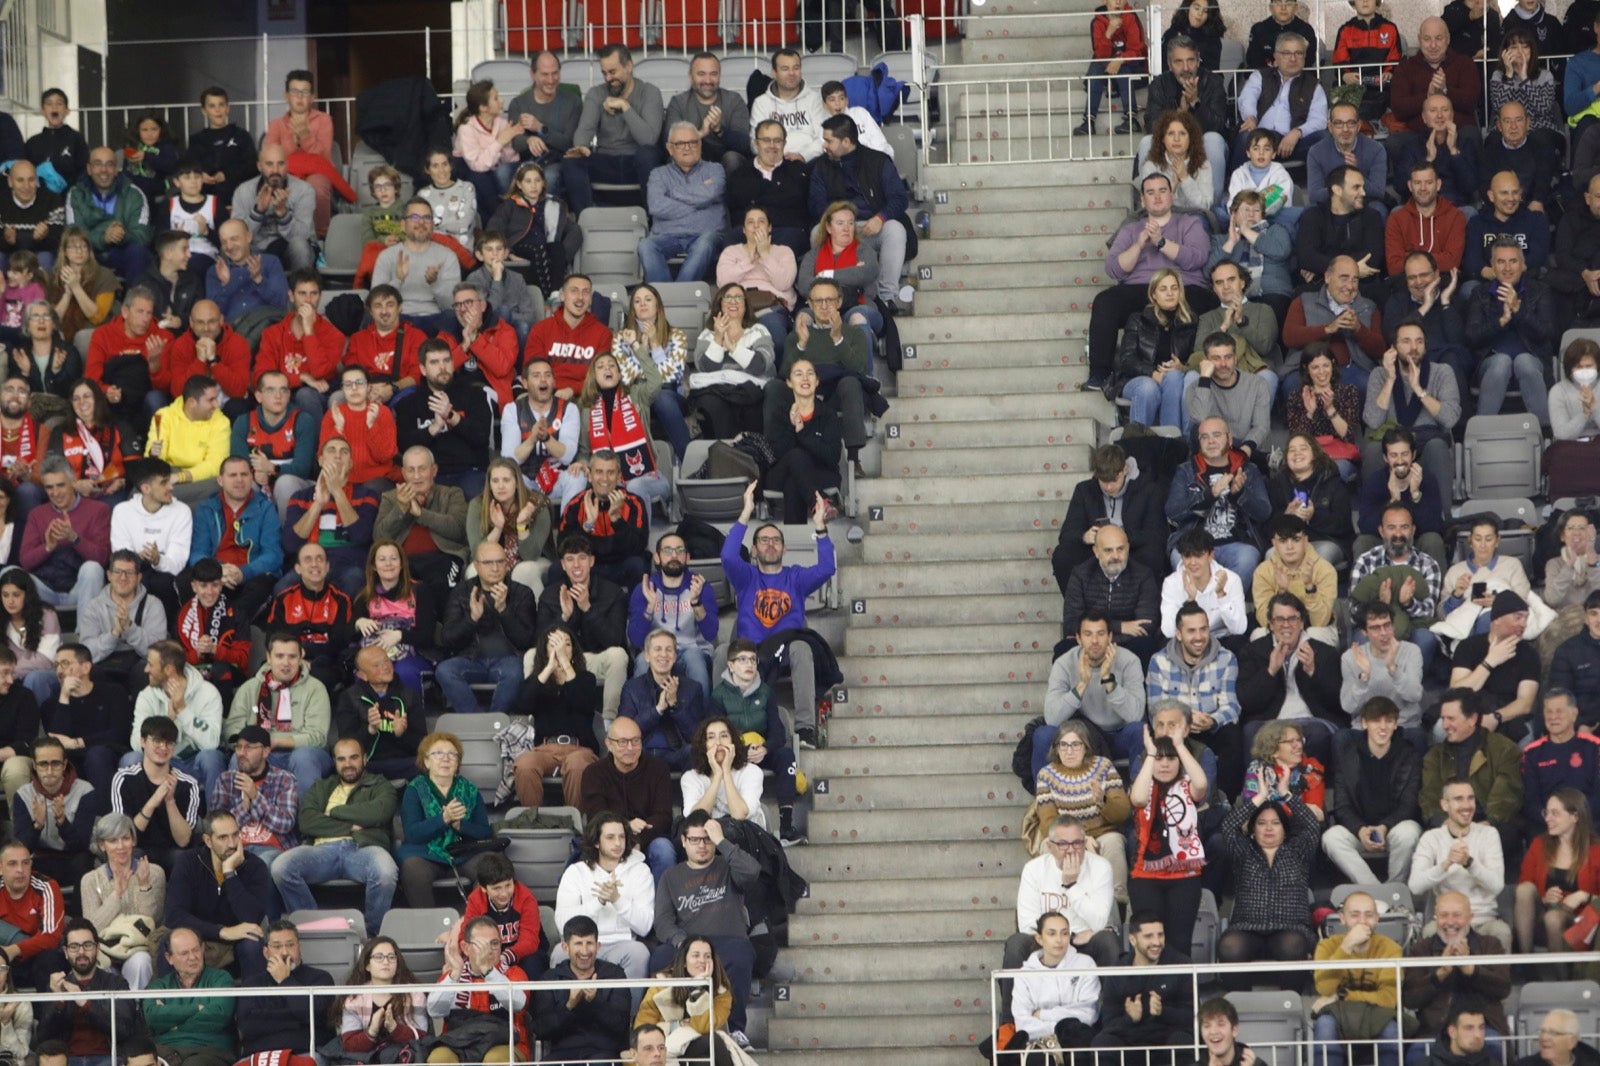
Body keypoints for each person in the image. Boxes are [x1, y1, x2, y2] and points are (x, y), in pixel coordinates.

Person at [722, 481, 836, 746]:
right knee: (720, 653)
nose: (770, 545)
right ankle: (724, 727)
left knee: (801, 648)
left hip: (785, 649)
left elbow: (827, 568)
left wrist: (820, 526)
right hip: (751, 651)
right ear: (753, 550)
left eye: (776, 540)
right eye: (763, 540)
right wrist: (745, 512)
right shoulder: (746, 577)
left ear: (785, 549)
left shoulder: (795, 577)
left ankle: (806, 728)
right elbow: (728, 557)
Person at [1085, 173, 1213, 391]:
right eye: (1150, 193)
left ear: (1172, 195)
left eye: (1163, 191)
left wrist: (1161, 243)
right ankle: (1100, 374)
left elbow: (1197, 258)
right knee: (1105, 301)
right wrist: (1139, 245)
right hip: (1142, 288)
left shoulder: (1189, 223)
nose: (1157, 197)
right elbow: (1114, 269)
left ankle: (1199, 368)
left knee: (1209, 302)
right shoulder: (1130, 229)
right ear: (1142, 200)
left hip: (1183, 286)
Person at [271, 736, 398, 937]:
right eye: (341, 759)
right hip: (321, 851)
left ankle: (371, 935)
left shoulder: (379, 785)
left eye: (353, 757)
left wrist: (335, 811)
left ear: (364, 759)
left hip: (362, 848)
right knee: (281, 867)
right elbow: (307, 822)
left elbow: (379, 812)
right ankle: (317, 929)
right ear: (335, 762)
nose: (347, 764)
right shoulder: (321, 787)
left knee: (386, 872)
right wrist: (352, 825)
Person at [652, 811, 760, 1042]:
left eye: (707, 839)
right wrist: (683, 942)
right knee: (659, 958)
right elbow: (662, 922)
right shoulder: (671, 876)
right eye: (695, 839)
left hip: (728, 941)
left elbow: (753, 872)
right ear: (683, 841)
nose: (702, 845)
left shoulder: (728, 865)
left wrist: (722, 841)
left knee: (741, 955)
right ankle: (667, 1030)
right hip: (687, 943)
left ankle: (736, 1029)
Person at [1213, 777, 1320, 977]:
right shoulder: (1243, 851)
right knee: (1229, 946)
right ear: (1253, 830)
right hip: (1247, 928)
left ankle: (1291, 1003)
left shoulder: (1298, 850)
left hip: (1291, 928)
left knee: (1293, 945)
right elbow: (1228, 827)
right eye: (1261, 823)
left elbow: (1312, 825)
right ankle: (1237, 1003)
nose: (1268, 828)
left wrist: (1286, 794)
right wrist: (1260, 797)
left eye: (1275, 823)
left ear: (1285, 829)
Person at [1325, 697, 1423, 885]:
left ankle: (1395, 891)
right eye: (1376, 721)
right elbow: (1342, 805)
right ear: (1364, 723)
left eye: (1389, 721)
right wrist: (1360, 829)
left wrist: (1384, 827)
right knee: (1331, 837)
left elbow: (1409, 804)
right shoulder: (1347, 756)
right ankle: (1373, 891)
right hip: (1360, 832)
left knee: (1409, 832)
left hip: (1393, 829)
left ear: (1396, 725)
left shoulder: (1408, 755)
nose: (1383, 727)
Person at [1128, 727, 1208, 958]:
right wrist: (1150, 753)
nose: (1164, 764)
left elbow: (1201, 783)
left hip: (1184, 876)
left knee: (1179, 942)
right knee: (1148, 945)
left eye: (1170, 758)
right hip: (1145, 875)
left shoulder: (1186, 785)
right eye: (1159, 758)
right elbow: (1139, 798)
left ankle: (1179, 993)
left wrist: (1181, 746)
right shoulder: (1143, 783)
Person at [163, 810, 272, 980]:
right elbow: (174, 915)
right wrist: (221, 932)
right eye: (223, 838)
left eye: (235, 835)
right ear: (208, 840)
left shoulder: (255, 867)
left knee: (252, 942)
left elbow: (252, 917)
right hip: (198, 939)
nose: (232, 844)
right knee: (168, 940)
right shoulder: (189, 862)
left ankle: (254, 1005)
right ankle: (169, 1003)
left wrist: (230, 873)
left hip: (237, 946)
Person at [222, 632, 333, 796]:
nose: (286, 663)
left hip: (303, 752)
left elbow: (318, 736)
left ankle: (306, 819)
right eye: (279, 656)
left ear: (301, 656)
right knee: (239, 758)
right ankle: (240, 818)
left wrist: (277, 742)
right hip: (261, 751)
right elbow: (232, 730)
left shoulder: (315, 688)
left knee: (303, 758)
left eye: (292, 657)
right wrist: (250, 746)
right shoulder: (250, 688)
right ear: (268, 657)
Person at [1404, 892, 1511, 1062]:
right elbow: (1410, 999)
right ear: (1435, 918)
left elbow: (1503, 988)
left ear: (1470, 917)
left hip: (1483, 1028)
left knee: (1496, 1048)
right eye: (1444, 915)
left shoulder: (1490, 944)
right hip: (1434, 1030)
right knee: (1415, 1056)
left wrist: (1472, 971)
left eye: (1457, 915)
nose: (1450, 922)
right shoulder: (1421, 949)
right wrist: (1440, 973)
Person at [1164, 416, 1270, 589]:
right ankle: (1204, 610)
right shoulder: (1186, 470)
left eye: (1216, 435)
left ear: (1229, 439)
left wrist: (1240, 494)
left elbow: (1264, 512)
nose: (1211, 441)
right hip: (1194, 542)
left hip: (1236, 543)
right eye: (1205, 437)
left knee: (1248, 558)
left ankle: (1219, 609)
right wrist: (1209, 495)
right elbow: (1172, 511)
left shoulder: (1249, 469)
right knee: (1180, 558)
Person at [561, 44, 666, 216]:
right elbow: (584, 129)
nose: (609, 78)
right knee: (571, 160)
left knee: (648, 154)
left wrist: (625, 106)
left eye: (613, 72)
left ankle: (653, 222)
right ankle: (587, 220)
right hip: (606, 161)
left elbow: (649, 139)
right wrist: (581, 146)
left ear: (629, 66)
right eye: (604, 73)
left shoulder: (649, 92)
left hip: (637, 161)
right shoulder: (596, 93)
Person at [436, 539, 538, 715]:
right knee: (444, 670)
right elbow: (448, 639)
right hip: (471, 659)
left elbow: (525, 640)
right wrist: (472, 619)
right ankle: (476, 720)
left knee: (515, 672)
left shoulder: (521, 593)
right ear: (476, 565)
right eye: (488, 563)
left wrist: (504, 610)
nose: (495, 568)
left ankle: (495, 722)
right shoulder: (461, 592)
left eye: (500, 562)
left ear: (507, 564)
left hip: (509, 660)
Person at [1408, 778, 1512, 946]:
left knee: (1502, 932)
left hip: (1483, 921)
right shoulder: (1431, 838)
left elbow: (1497, 886)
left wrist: (1470, 863)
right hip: (1446, 923)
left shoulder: (1489, 834)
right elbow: (1415, 886)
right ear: (1444, 805)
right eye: (1458, 799)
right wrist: (1446, 863)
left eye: (1470, 798)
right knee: (1429, 932)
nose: (1467, 805)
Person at [537, 533, 631, 718]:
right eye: (570, 559)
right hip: (561, 660)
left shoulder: (612, 593)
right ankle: (537, 718)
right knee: (530, 656)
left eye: (582, 558)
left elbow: (615, 640)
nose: (576, 565)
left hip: (596, 659)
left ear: (592, 561)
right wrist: (564, 617)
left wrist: (588, 609)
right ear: (563, 565)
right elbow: (539, 642)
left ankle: (610, 722)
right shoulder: (549, 594)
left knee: (618, 655)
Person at [397, 730, 493, 907]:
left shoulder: (470, 789)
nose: (446, 758)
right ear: (426, 761)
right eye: (438, 753)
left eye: (452, 754)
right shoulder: (414, 789)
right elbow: (412, 834)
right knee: (412, 869)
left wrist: (460, 825)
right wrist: (443, 819)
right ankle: (427, 923)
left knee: (492, 867)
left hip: (464, 853)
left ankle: (474, 922)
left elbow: (484, 831)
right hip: (425, 853)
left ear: (458, 763)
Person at [1464, 238, 1555, 424]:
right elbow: (1472, 337)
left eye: (1513, 261)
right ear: (1492, 266)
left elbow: (1546, 333)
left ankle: (1545, 433)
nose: (1507, 268)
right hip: (1491, 369)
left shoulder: (1540, 290)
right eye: (1501, 262)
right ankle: (1483, 431)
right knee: (1501, 362)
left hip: (1533, 366)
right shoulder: (1480, 294)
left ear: (1523, 265)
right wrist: (1501, 321)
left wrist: (1518, 310)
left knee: (1524, 361)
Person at [511, 623, 601, 809]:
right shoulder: (538, 680)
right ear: (545, 649)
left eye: (566, 644)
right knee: (525, 765)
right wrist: (549, 667)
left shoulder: (586, 678)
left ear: (574, 650)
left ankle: (576, 824)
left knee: (577, 765)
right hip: (545, 749)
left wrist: (566, 666)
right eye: (554, 644)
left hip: (579, 748)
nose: (561, 649)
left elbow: (583, 704)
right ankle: (533, 821)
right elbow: (522, 705)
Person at [554, 813, 653, 978]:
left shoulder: (640, 870)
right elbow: (562, 924)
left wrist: (617, 900)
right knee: (559, 953)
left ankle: (630, 1005)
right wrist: (599, 901)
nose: (618, 843)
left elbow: (644, 927)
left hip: (623, 944)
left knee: (640, 953)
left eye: (622, 837)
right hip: (584, 943)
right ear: (596, 842)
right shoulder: (576, 872)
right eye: (610, 837)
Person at [1310, 890, 1402, 1066]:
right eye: (1355, 915)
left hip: (1377, 1014)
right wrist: (1346, 947)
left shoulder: (1391, 949)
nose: (1362, 921)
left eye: (1369, 915)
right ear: (1342, 918)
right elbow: (1325, 989)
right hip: (1337, 1015)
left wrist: (1342, 996)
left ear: (1377, 919)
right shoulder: (1327, 946)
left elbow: (1389, 999)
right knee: (1324, 1025)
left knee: (1391, 1030)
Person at [187, 455, 280, 626]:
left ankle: (231, 632)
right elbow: (198, 553)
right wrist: (217, 571)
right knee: (185, 580)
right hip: (216, 575)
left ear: (251, 478)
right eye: (233, 475)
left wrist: (243, 573)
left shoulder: (265, 508)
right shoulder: (206, 508)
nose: (239, 480)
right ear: (220, 480)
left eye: (244, 475)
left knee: (261, 586)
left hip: (251, 576)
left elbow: (273, 555)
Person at [282, 437, 381, 598]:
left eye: (344, 452)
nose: (338, 456)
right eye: (331, 450)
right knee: (283, 586)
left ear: (350, 464)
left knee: (355, 580)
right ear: (320, 460)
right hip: (309, 565)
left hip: (349, 565)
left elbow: (361, 536)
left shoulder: (367, 495)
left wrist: (337, 491)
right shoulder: (300, 497)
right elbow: (291, 544)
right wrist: (318, 504)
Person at [426, 914, 530, 1063]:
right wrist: (454, 975)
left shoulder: (514, 973)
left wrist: (488, 972)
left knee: (496, 1059)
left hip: (505, 1042)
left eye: (494, 943)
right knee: (439, 1058)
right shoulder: (452, 975)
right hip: (458, 1043)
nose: (489, 950)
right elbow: (434, 1011)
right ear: (465, 948)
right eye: (482, 945)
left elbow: (519, 1005)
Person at [581, 717, 676, 879]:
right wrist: (625, 828)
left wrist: (638, 840)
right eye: (623, 742)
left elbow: (664, 816)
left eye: (636, 741)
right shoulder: (594, 773)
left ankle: (661, 904)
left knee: (664, 850)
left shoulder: (658, 769)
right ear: (609, 744)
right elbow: (596, 817)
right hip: (610, 837)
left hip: (648, 838)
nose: (630, 748)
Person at [78, 811, 164, 990]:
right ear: (102, 845)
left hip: (139, 947)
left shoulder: (154, 872)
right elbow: (92, 928)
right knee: (100, 968)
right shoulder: (90, 880)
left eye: (125, 838)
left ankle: (136, 1014)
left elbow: (151, 922)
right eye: (112, 840)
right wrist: (116, 894)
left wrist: (144, 886)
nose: (120, 846)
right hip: (105, 950)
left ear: (133, 841)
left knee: (141, 962)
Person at [393, 341, 490, 499]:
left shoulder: (474, 394)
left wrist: (451, 417)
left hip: (469, 471)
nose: (442, 367)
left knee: (474, 494)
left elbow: (481, 437)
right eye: (434, 362)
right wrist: (434, 428)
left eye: (446, 360)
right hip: (429, 476)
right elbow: (404, 447)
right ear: (423, 369)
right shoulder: (408, 404)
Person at [532, 915, 634, 1064]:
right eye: (578, 943)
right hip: (562, 1054)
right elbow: (541, 1029)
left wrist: (595, 1001)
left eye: (589, 943)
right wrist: (569, 1005)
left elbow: (621, 1025)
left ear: (598, 946)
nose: (584, 951)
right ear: (565, 947)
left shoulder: (614, 975)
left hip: (604, 1054)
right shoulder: (550, 979)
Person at [34, 916, 136, 1064]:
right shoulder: (56, 986)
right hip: (67, 1061)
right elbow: (44, 1039)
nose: (81, 952)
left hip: (109, 1058)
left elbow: (125, 1030)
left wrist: (86, 1003)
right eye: (74, 946)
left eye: (87, 945)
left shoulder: (116, 983)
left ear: (97, 948)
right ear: (65, 951)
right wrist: (59, 1001)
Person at [374, 445, 470, 601]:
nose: (417, 476)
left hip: (444, 558)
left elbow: (458, 530)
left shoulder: (451, 494)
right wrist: (401, 509)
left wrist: (420, 514)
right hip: (404, 561)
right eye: (411, 470)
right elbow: (379, 538)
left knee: (439, 583)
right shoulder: (390, 498)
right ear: (404, 473)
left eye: (422, 469)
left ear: (434, 470)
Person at [20, 454, 110, 621]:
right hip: (44, 590)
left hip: (80, 588)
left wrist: (74, 538)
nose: (55, 493)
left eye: (61, 485)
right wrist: (48, 547)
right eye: (49, 487)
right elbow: (25, 561)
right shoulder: (37, 514)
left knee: (92, 568)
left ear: (73, 482)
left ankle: (86, 638)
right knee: (10, 574)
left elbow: (102, 559)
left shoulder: (98, 510)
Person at [129, 639, 225, 793]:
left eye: (151, 665)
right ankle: (138, 816)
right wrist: (167, 722)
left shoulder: (208, 693)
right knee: (131, 759)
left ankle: (215, 816)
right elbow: (136, 744)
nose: (146, 669)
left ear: (168, 669)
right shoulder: (146, 696)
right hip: (159, 762)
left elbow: (211, 743)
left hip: (193, 762)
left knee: (211, 758)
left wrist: (182, 711)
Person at [1513, 787, 1600, 955]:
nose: (1548, 819)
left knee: (1553, 918)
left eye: (1555, 813)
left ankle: (1562, 980)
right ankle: (1527, 961)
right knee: (1524, 890)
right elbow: (1523, 883)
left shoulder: (1596, 850)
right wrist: (1544, 898)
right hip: (1540, 915)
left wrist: (1583, 895)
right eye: (1546, 812)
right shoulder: (1539, 844)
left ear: (1575, 816)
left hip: (1581, 919)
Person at [1447, 590, 1541, 744]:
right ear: (1497, 619)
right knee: (1440, 728)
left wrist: (1496, 717)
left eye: (1526, 618)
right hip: (1469, 711)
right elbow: (1455, 693)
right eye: (1518, 617)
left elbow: (1525, 703)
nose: (1523, 624)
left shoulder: (1529, 654)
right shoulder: (1468, 646)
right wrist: (1490, 662)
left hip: (1507, 715)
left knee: (1527, 736)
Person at [235, 920, 337, 1060]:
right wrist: (297, 1023)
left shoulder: (320, 978)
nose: (284, 952)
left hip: (305, 1053)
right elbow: (248, 1026)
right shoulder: (252, 984)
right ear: (266, 952)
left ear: (299, 947)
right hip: (258, 1054)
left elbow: (317, 1017)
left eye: (290, 945)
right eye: (277, 946)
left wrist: (285, 981)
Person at [638, 123, 724, 285]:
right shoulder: (658, 174)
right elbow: (656, 206)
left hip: (704, 234)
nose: (688, 148)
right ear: (670, 148)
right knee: (646, 245)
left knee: (705, 243)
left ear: (700, 145)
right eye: (680, 144)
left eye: (693, 142)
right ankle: (666, 296)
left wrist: (674, 193)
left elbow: (710, 193)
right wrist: (699, 204)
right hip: (667, 235)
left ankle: (674, 296)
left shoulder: (715, 170)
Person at [612, 285, 691, 462]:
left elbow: (671, 376)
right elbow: (625, 376)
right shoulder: (620, 338)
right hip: (634, 393)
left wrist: (655, 344)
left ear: (658, 306)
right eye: (637, 301)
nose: (643, 305)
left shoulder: (677, 336)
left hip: (669, 394)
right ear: (632, 309)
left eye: (648, 300)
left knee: (661, 397)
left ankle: (689, 462)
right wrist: (639, 348)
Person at [1113, 269, 1198, 431]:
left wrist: (1182, 366)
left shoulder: (1191, 322)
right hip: (1138, 379)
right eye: (1163, 289)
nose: (1170, 293)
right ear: (1153, 295)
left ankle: (1172, 440)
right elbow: (1127, 360)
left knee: (1174, 377)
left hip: (1175, 379)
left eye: (1174, 288)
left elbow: (1196, 357)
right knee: (1148, 387)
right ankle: (1138, 446)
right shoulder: (1138, 319)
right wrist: (1153, 373)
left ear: (1180, 292)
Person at [264, 542, 355, 693]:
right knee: (264, 676)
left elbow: (340, 643)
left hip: (326, 665)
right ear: (297, 568)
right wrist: (296, 660)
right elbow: (272, 639)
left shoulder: (341, 600)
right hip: (289, 661)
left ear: (327, 567)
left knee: (319, 676)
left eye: (320, 559)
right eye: (308, 559)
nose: (314, 564)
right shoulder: (283, 599)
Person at [558, 447, 650, 590]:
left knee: (638, 565)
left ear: (619, 476)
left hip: (621, 565)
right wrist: (588, 525)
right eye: (599, 472)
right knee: (557, 569)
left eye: (611, 473)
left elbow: (638, 547)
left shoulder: (634, 503)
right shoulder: (575, 505)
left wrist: (617, 520)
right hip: (590, 568)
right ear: (589, 475)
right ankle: (567, 612)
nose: (605, 479)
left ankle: (635, 612)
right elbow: (563, 548)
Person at [143, 925, 237, 1066]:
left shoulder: (221, 979)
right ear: (169, 958)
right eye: (184, 953)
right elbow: (152, 1017)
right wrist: (197, 1008)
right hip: (165, 1051)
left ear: (203, 949)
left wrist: (173, 1025)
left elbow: (219, 1016)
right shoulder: (159, 985)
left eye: (196, 950)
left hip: (210, 1051)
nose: (192, 957)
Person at [11, 732, 95, 890]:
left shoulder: (85, 791)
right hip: (40, 859)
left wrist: (62, 821)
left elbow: (82, 844)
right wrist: (37, 825)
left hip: (73, 858)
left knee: (84, 863)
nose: (49, 771)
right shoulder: (23, 795)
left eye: (55, 764)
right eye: (43, 764)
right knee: (17, 867)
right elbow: (23, 848)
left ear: (64, 765)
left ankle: (79, 915)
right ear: (34, 766)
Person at [262, 70, 339, 238]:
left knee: (316, 188)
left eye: (305, 92)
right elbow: (271, 156)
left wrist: (305, 137)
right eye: (295, 92)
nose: (299, 97)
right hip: (287, 172)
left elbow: (324, 156)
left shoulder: (324, 119)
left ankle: (320, 237)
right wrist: (292, 141)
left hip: (318, 171)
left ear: (312, 97)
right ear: (286, 96)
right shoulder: (277, 124)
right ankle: (279, 235)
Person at [331, 937, 428, 1059]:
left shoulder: (414, 995)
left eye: (391, 957)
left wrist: (395, 1028)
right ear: (367, 965)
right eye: (378, 957)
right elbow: (349, 1045)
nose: (386, 962)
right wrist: (372, 1031)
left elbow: (423, 1038)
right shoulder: (354, 998)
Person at [370, 201, 461, 332]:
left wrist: (435, 283)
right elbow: (377, 303)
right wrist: (398, 280)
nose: (421, 223)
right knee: (371, 319)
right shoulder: (387, 256)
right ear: (403, 225)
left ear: (432, 225)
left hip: (435, 318)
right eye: (414, 218)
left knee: (453, 317)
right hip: (398, 318)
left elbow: (451, 306)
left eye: (426, 218)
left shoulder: (448, 256)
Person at [66, 146, 153, 282]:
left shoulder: (134, 193)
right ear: (89, 169)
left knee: (138, 252)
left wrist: (122, 235)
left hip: (122, 254)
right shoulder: (77, 194)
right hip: (89, 255)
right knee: (72, 253)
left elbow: (143, 235)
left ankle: (135, 301)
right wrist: (103, 238)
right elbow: (72, 236)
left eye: (109, 165)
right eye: (98, 164)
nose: (104, 170)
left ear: (116, 169)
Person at [713, 212, 793, 358]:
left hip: (771, 307)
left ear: (769, 228)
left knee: (777, 338)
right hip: (736, 306)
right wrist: (749, 259)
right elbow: (723, 283)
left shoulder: (784, 251)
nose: (756, 226)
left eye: (761, 221)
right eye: (750, 222)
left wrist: (765, 255)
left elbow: (783, 283)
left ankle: (775, 378)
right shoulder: (731, 252)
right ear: (744, 230)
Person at [525, 273, 614, 401]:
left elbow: (601, 376)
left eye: (586, 292)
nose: (580, 297)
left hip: (584, 395)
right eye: (574, 291)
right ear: (562, 296)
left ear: (590, 299)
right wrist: (552, 390)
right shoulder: (541, 329)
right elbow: (532, 371)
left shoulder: (603, 334)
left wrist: (572, 389)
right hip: (547, 393)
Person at [1266, 450, 1351, 583]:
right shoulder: (1279, 483)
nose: (1297, 454)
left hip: (1327, 541)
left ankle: (1302, 600)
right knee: (1271, 555)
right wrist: (1286, 517)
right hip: (1289, 541)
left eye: (1303, 449)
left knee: (1317, 558)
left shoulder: (1333, 482)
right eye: (1292, 450)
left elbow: (1342, 525)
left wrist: (1313, 517)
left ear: (1314, 454)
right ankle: (1286, 601)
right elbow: (1268, 529)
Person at [459, 851, 545, 976]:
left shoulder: (526, 897)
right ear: (483, 888)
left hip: (524, 954)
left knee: (532, 964)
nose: (504, 893)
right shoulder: (476, 900)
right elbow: (466, 936)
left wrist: (505, 957)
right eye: (497, 888)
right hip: (489, 954)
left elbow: (530, 941)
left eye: (508, 885)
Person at [1440, 519, 1532, 625]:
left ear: (1497, 541)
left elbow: (1525, 602)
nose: (1483, 545)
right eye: (1478, 539)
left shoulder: (1512, 565)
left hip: (1502, 626)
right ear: (1470, 541)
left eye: (1488, 539)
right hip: (1464, 627)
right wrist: (1456, 595)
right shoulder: (1455, 571)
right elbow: (1442, 615)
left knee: (1487, 618)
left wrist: (1500, 603)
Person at [749, 50, 828, 164]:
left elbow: (824, 137)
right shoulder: (761, 103)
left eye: (796, 68)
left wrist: (803, 156)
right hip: (773, 163)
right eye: (785, 69)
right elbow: (755, 143)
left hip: (809, 161)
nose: (792, 73)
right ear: (774, 73)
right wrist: (778, 158)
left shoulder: (815, 99)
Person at [451, 80, 519, 212]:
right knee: (482, 182)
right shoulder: (466, 129)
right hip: (468, 167)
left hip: (493, 166)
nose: (502, 100)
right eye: (496, 98)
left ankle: (510, 215)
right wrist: (499, 142)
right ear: (483, 107)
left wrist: (506, 143)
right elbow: (477, 166)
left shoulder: (502, 124)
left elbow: (512, 159)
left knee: (504, 173)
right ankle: (495, 224)